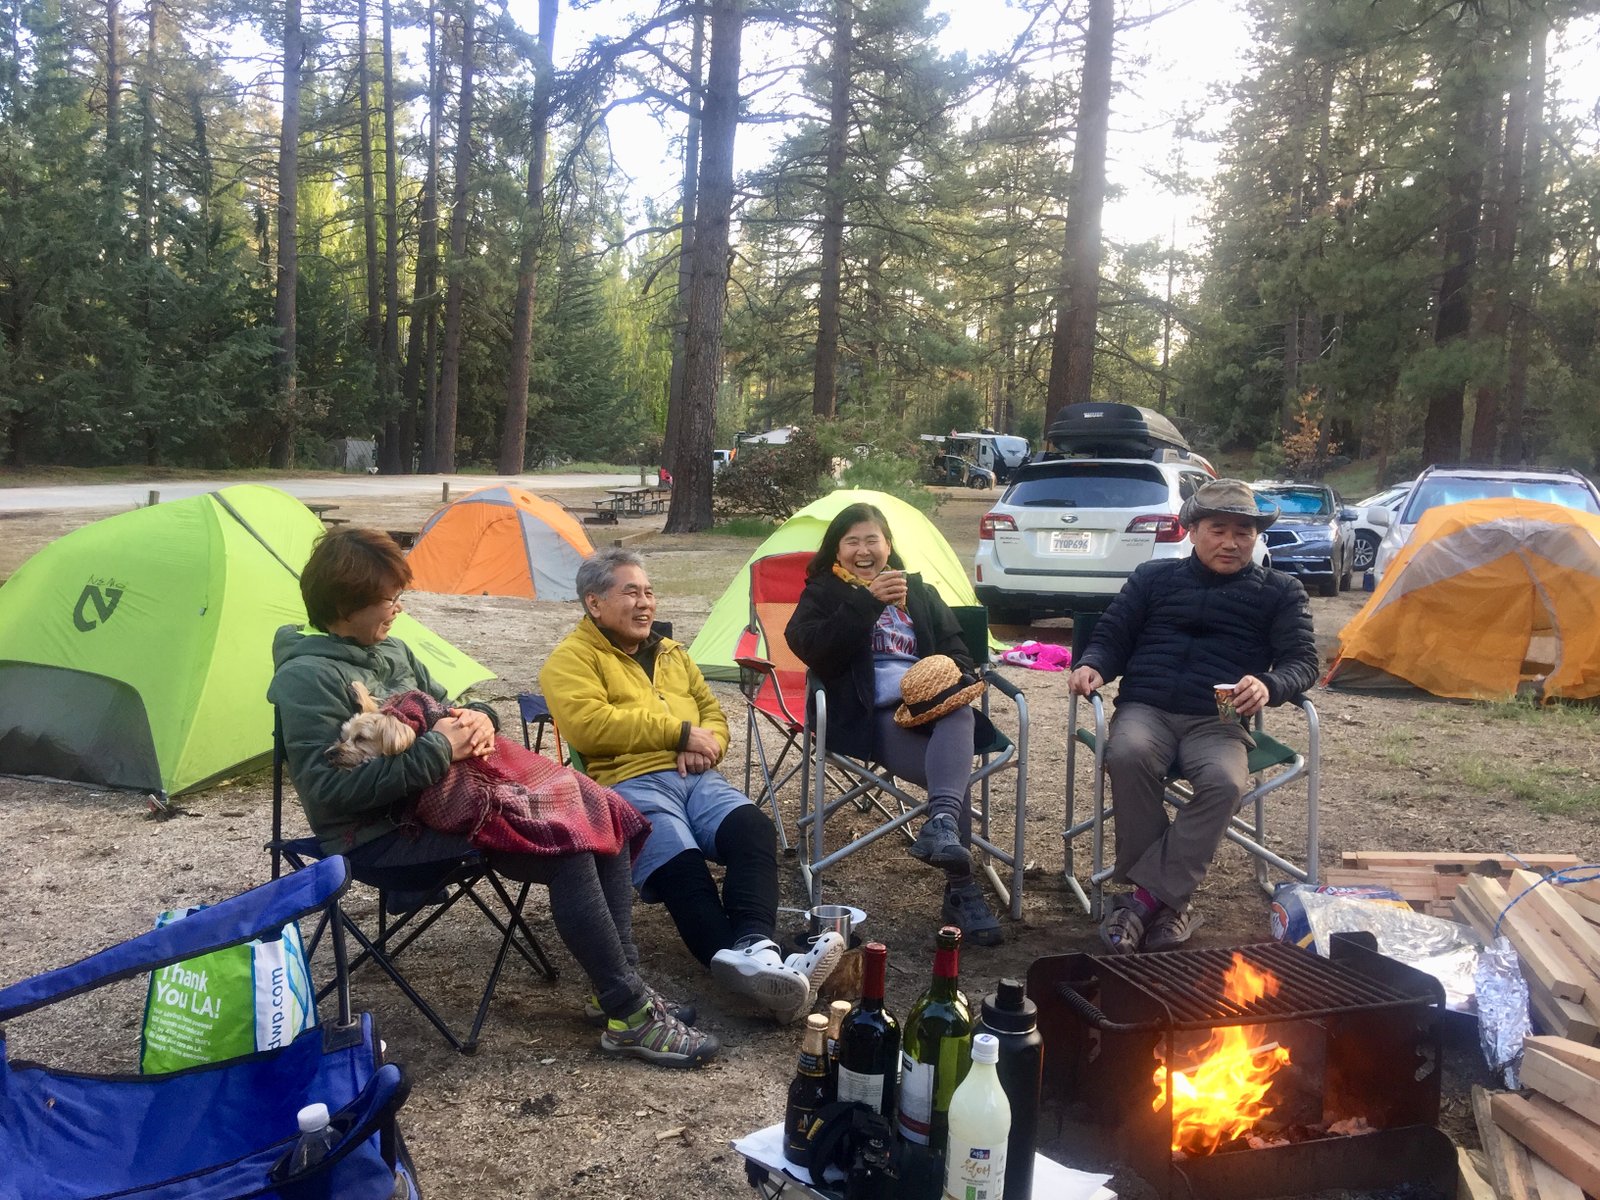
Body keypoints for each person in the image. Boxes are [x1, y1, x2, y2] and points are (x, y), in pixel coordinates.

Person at [268, 527, 718, 1068]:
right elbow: (330, 791)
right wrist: (439, 749)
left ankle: (619, 990)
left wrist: (482, 718)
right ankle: (630, 1011)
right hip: (380, 834)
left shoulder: (392, 649)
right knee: (569, 844)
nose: (399, 609)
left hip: (454, 806)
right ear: (347, 603)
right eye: (390, 600)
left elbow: (451, 709)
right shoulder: (306, 677)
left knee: (604, 815)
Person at [540, 548, 845, 1022]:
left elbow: (713, 716)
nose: (646, 604)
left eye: (649, 592)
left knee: (753, 831)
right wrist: (678, 734)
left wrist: (706, 745)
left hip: (696, 776)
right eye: (631, 593)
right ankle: (758, 968)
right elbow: (587, 726)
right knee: (680, 863)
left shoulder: (672, 655)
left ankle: (758, 950)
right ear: (594, 603)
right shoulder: (570, 660)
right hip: (628, 781)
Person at [1067, 478, 1319, 955]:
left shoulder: (1280, 592)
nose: (1231, 542)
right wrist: (1093, 665)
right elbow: (1112, 636)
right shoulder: (1152, 578)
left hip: (1218, 719)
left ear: (1255, 537)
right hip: (1148, 707)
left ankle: (1142, 901)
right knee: (1128, 754)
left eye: (1243, 532)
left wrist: (1269, 683)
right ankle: (1169, 906)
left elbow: (1302, 662)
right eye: (1218, 529)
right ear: (1193, 530)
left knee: (1225, 782)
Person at [784, 502, 1004, 946]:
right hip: (869, 715)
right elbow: (812, 650)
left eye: (872, 540)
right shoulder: (823, 593)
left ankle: (940, 825)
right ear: (837, 549)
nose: (863, 551)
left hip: (932, 708)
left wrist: (943, 674)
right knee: (952, 779)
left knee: (958, 712)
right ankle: (962, 889)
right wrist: (867, 603)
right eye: (852, 542)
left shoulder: (918, 592)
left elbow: (958, 651)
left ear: (888, 546)